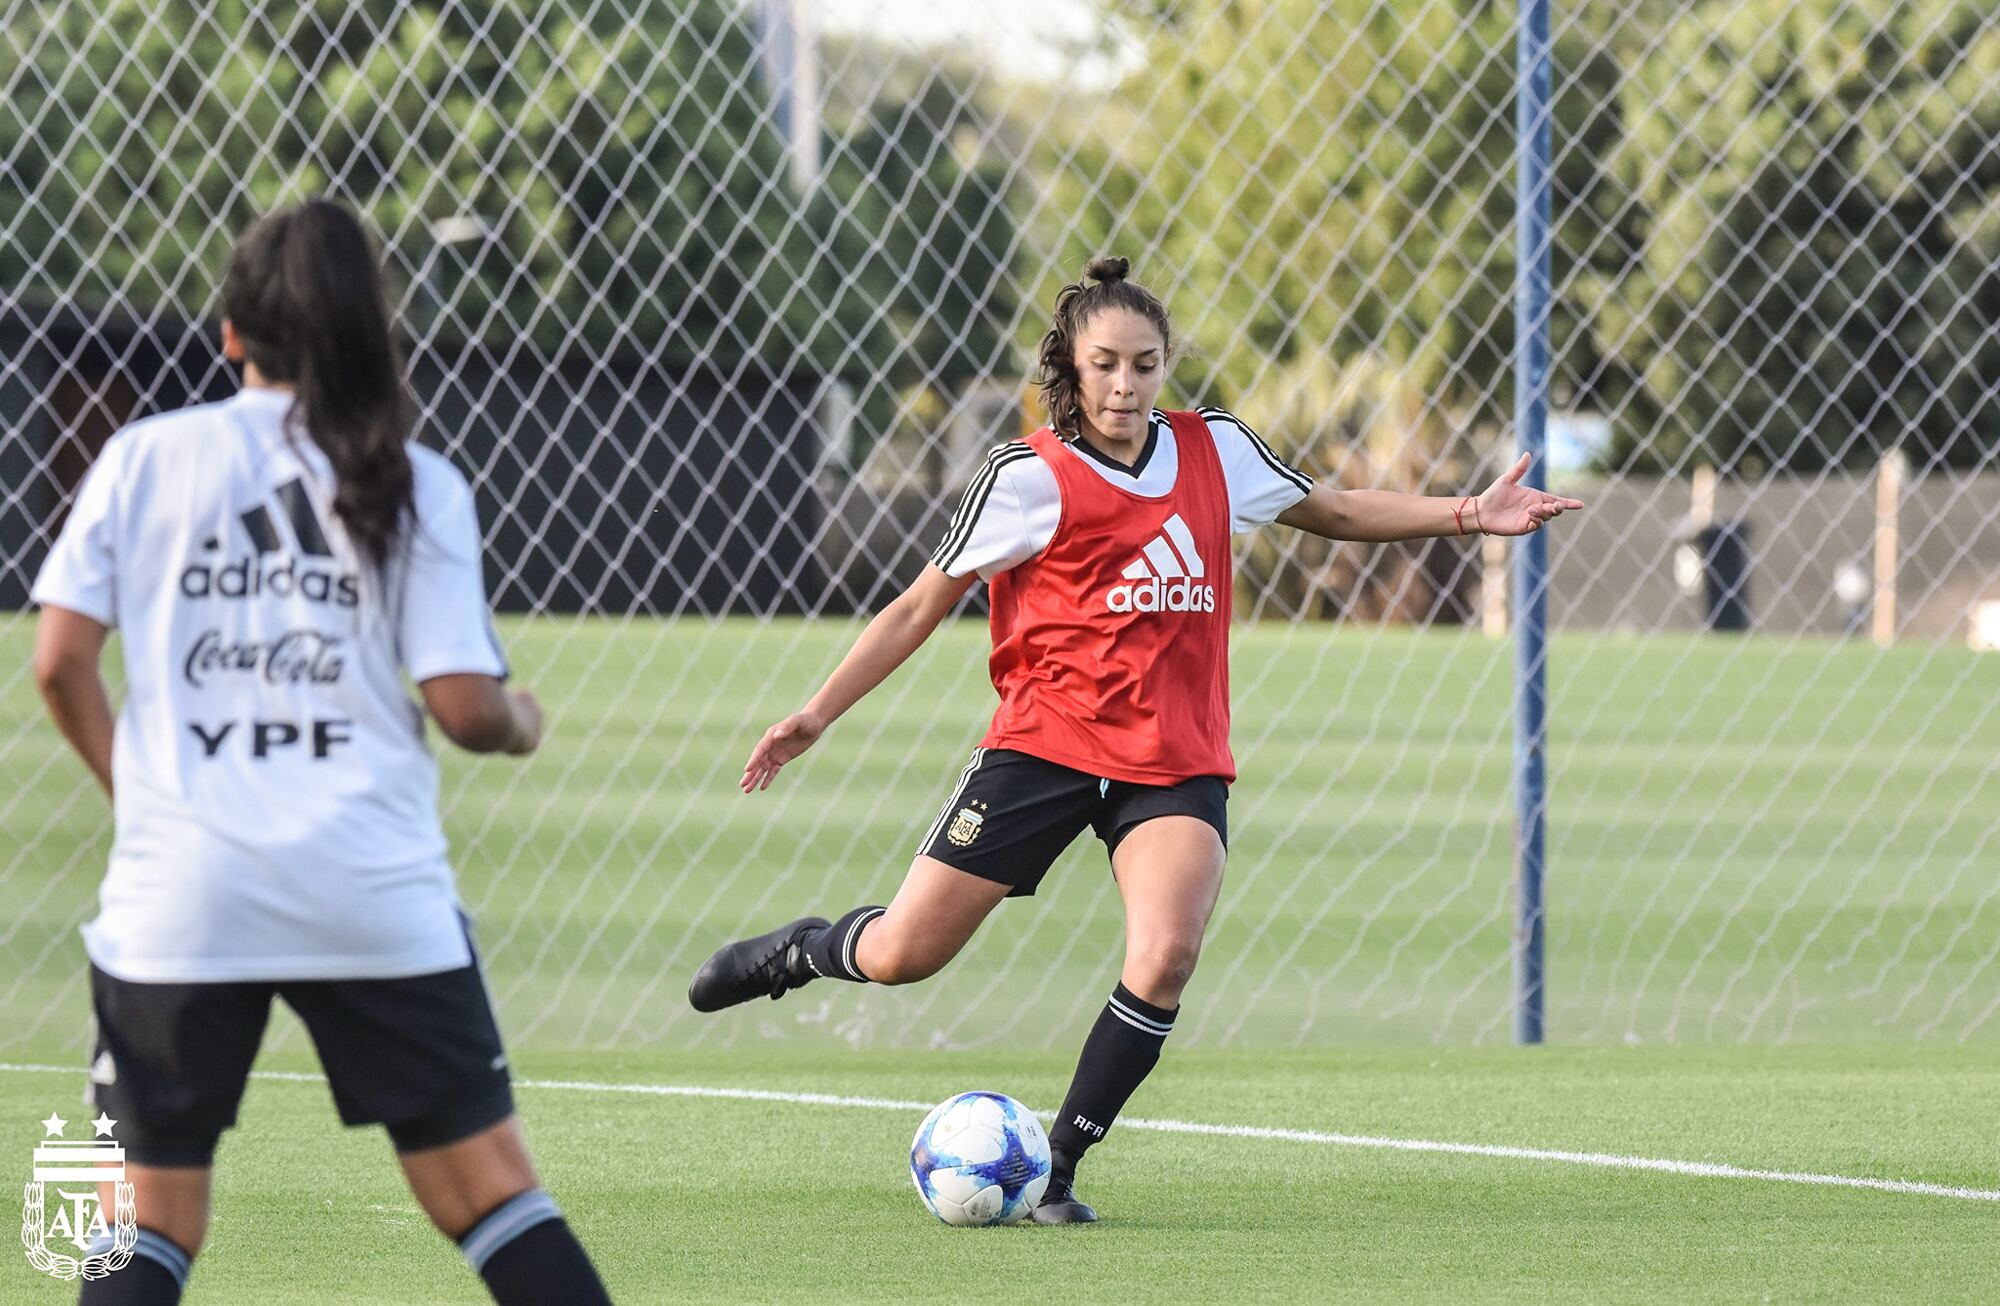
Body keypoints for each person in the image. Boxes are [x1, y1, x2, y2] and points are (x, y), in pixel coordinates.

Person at [688, 254, 1585, 1222]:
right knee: (905, 953)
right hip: (1043, 747)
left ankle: (1056, 1170)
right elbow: (919, 605)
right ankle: (800, 954)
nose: (1124, 385)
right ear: (1068, 369)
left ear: (1165, 365)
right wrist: (814, 714)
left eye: (1144, 364)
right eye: (1104, 364)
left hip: (1174, 759)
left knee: (1163, 955)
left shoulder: (1215, 449)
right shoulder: (1024, 475)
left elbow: (1333, 509)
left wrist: (1467, 514)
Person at [31, 199, 612, 1305]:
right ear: (366, 334)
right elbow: (465, 707)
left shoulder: (143, 457)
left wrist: (146, 796)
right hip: (367, 886)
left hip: (180, 893)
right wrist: (523, 718)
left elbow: (60, 663)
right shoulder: (414, 475)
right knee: (492, 1196)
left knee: (145, 1225)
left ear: (230, 335)